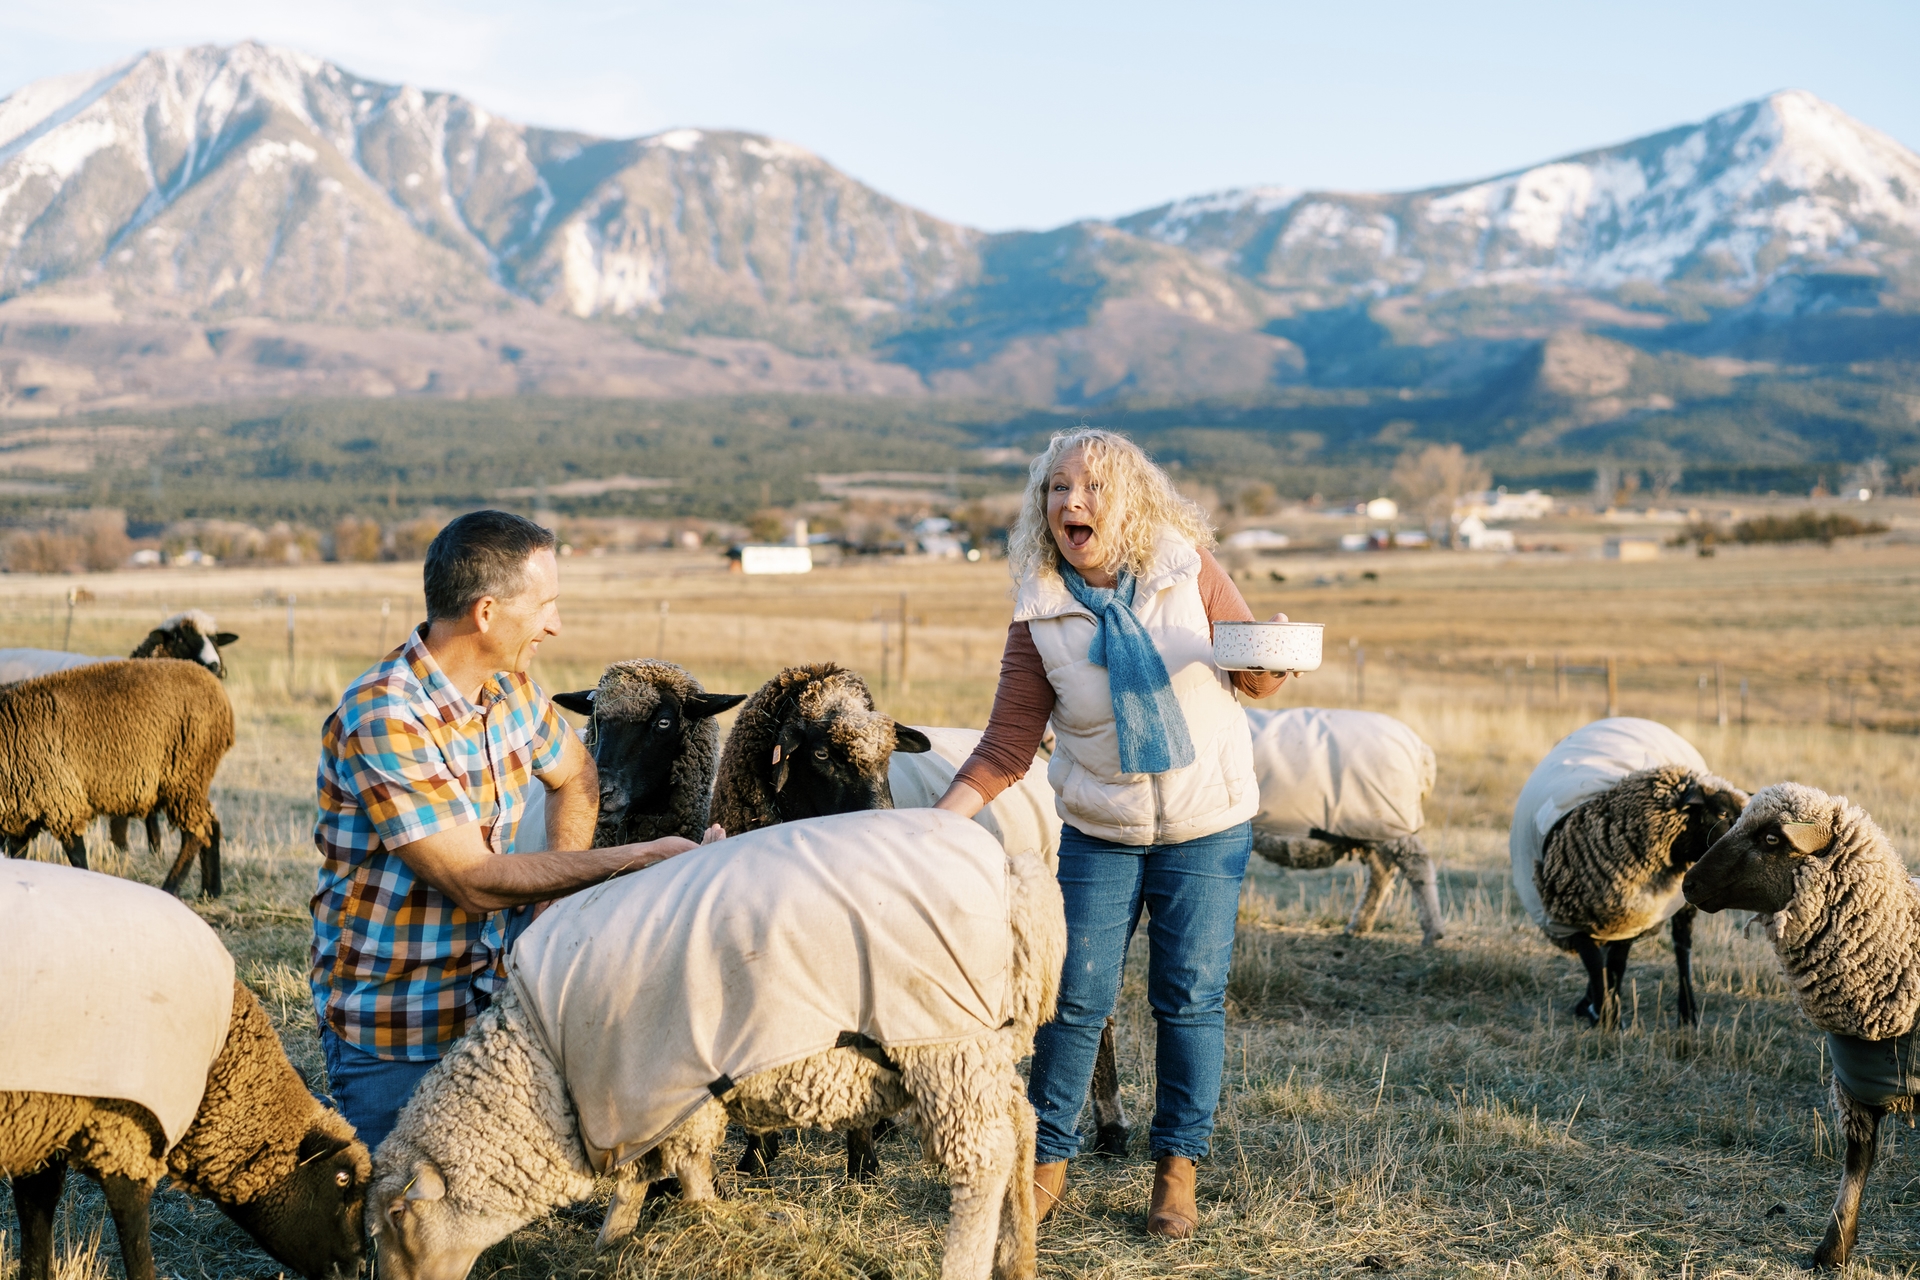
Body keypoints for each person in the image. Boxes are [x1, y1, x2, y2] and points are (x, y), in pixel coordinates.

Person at [934, 428, 1286, 1239]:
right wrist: (928, 831)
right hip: (1099, 828)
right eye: (1057, 489)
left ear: (1130, 500)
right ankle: (1045, 1167)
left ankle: (1176, 1172)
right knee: (1073, 999)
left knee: (1189, 998)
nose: (1071, 503)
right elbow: (1005, 746)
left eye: (1090, 488)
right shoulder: (1040, 607)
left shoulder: (1187, 569)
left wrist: (1270, 652)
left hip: (1207, 825)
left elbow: (1254, 677)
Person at [309, 510, 702, 1150]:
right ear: (486, 613)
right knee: (394, 1225)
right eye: (544, 604)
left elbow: (575, 775)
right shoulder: (385, 717)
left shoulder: (511, 688)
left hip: (498, 1003)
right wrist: (643, 857)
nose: (555, 623)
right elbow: (475, 882)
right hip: (400, 1025)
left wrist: (550, 902)